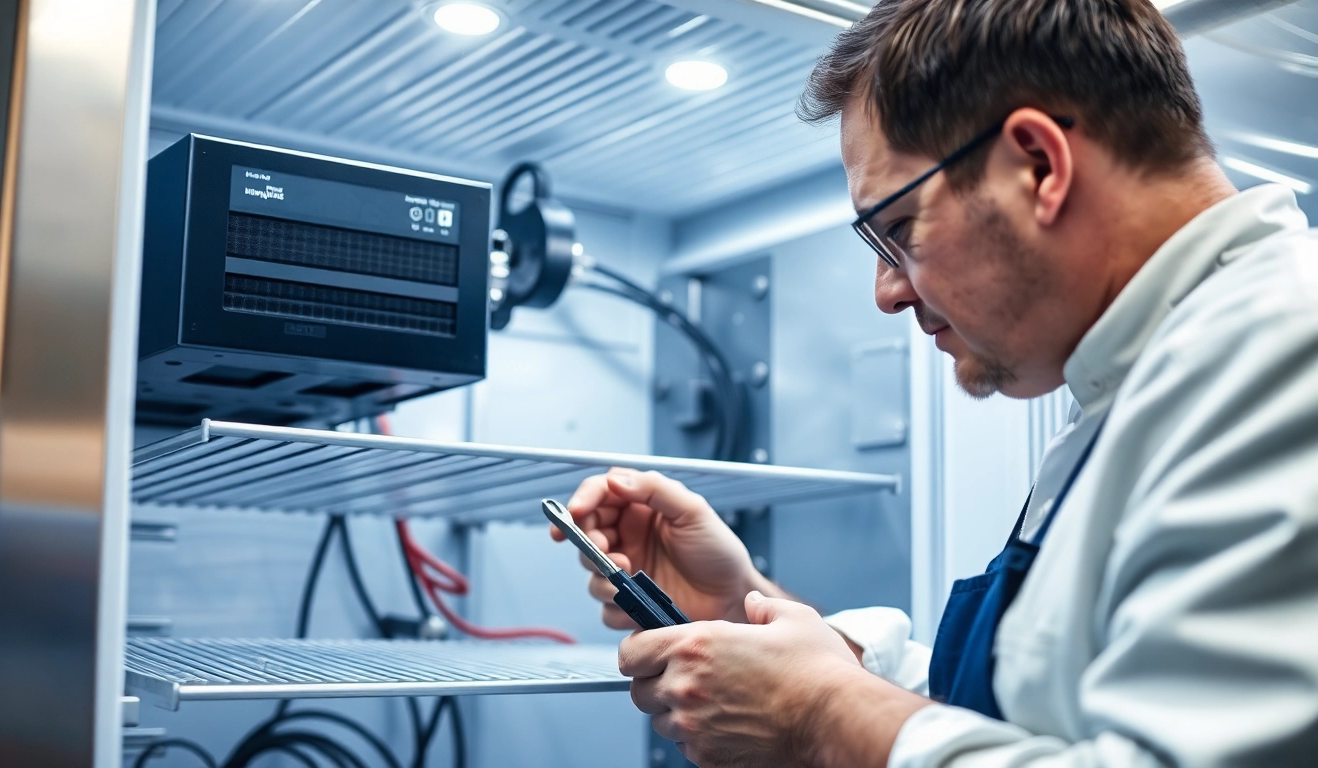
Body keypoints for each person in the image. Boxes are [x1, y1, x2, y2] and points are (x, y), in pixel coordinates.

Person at [549, 1, 1318, 765]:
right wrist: (751, 617)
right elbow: (1032, 715)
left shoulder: (1287, 348)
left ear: (1038, 167)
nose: (888, 291)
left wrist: (820, 713)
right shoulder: (1149, 378)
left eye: (898, 228)